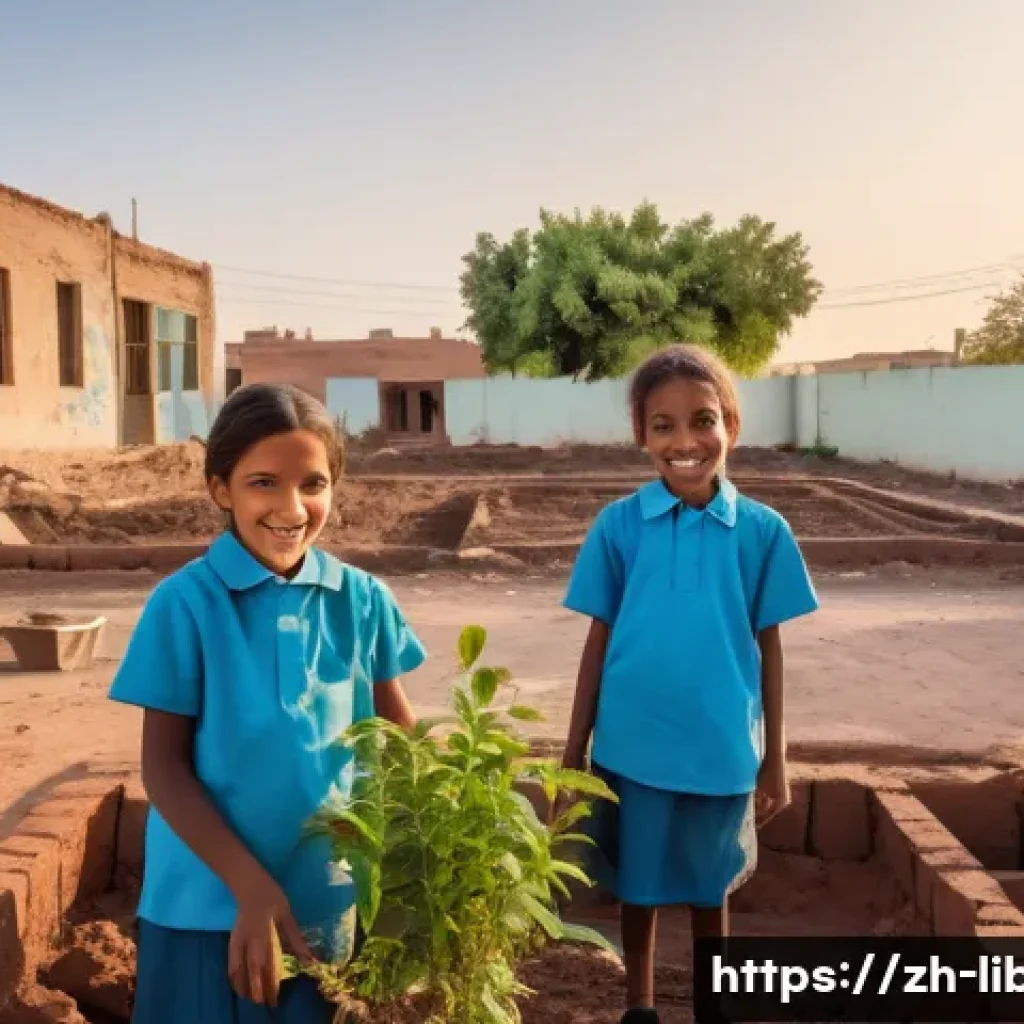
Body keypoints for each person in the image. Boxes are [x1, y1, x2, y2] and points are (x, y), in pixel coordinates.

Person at [109, 383, 426, 1023]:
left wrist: (438, 835)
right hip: (205, 906)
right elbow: (163, 770)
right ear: (219, 489)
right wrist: (249, 889)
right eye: (263, 483)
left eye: (313, 483)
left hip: (326, 903)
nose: (292, 507)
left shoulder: (362, 600)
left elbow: (399, 738)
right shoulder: (185, 604)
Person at [559, 344, 819, 1024]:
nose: (685, 441)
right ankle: (639, 1004)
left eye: (702, 420)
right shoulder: (619, 527)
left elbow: (770, 648)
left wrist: (776, 759)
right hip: (633, 746)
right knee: (638, 889)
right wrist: (570, 754)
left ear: (731, 426)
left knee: (712, 888)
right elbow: (599, 639)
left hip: (721, 748)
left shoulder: (762, 533)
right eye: (663, 424)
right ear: (641, 435)